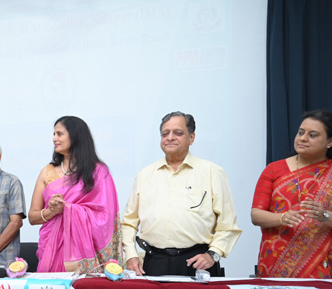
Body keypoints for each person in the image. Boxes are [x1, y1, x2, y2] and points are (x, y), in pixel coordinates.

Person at [122, 111, 241, 277]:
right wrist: (130, 254)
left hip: (198, 263)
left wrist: (213, 253)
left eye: (177, 133)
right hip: (154, 262)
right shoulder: (145, 175)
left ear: (191, 138)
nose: (170, 138)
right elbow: (129, 223)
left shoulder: (211, 172)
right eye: (165, 133)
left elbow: (228, 224)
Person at [28, 116, 122, 273]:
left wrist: (69, 209)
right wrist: (52, 212)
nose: (54, 139)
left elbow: (106, 217)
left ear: (75, 136)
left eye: (59, 134)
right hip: (51, 251)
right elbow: (32, 217)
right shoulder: (47, 171)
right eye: (54, 134)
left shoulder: (98, 172)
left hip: (84, 256)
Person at [251, 109, 332, 278]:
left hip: (321, 263)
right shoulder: (274, 170)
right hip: (275, 262)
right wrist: (282, 217)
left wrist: (324, 215)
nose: (303, 138)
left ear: (329, 142)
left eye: (312, 135)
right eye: (301, 132)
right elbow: (256, 215)